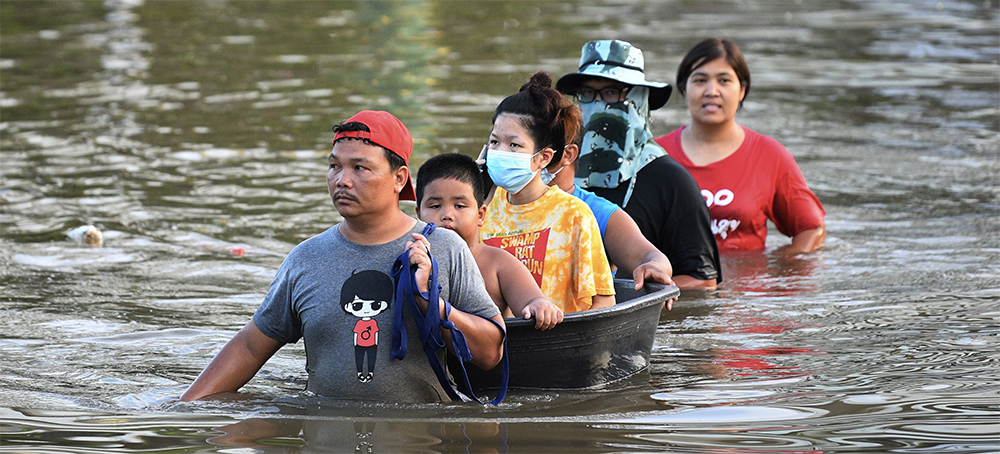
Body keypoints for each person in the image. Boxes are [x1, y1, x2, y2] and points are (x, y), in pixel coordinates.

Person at [181, 110, 504, 403]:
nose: (342, 180)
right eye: (334, 166)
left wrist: (429, 303)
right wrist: (182, 409)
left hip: (422, 437)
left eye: (360, 168)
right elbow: (251, 347)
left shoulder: (443, 248)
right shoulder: (306, 259)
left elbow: (491, 353)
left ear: (399, 178)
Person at [556, 39, 722, 290]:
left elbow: (703, 281)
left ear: (639, 99)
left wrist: (632, 291)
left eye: (612, 92)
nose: (599, 104)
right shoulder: (559, 170)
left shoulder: (671, 181)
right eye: (588, 93)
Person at [655, 38, 826, 254]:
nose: (711, 91)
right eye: (700, 80)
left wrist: (775, 269)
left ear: (742, 90)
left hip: (746, 287)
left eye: (724, 80)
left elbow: (812, 229)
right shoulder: (655, 155)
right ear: (683, 89)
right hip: (677, 286)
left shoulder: (769, 155)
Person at [480, 71, 616, 314]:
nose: (500, 152)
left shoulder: (573, 215)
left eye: (514, 145)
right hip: (496, 342)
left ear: (543, 157)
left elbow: (603, 303)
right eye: (494, 142)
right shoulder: (481, 210)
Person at [415, 152, 564, 329]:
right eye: (435, 206)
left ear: (480, 215)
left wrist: (539, 305)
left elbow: (531, 299)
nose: (447, 215)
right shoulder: (412, 259)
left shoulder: (497, 262)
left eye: (460, 206)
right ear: (418, 215)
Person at [540, 133, 676, 297]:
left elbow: (652, 257)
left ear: (566, 154)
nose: (502, 152)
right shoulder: (500, 208)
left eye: (514, 145)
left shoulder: (593, 211)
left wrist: (654, 267)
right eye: (498, 142)